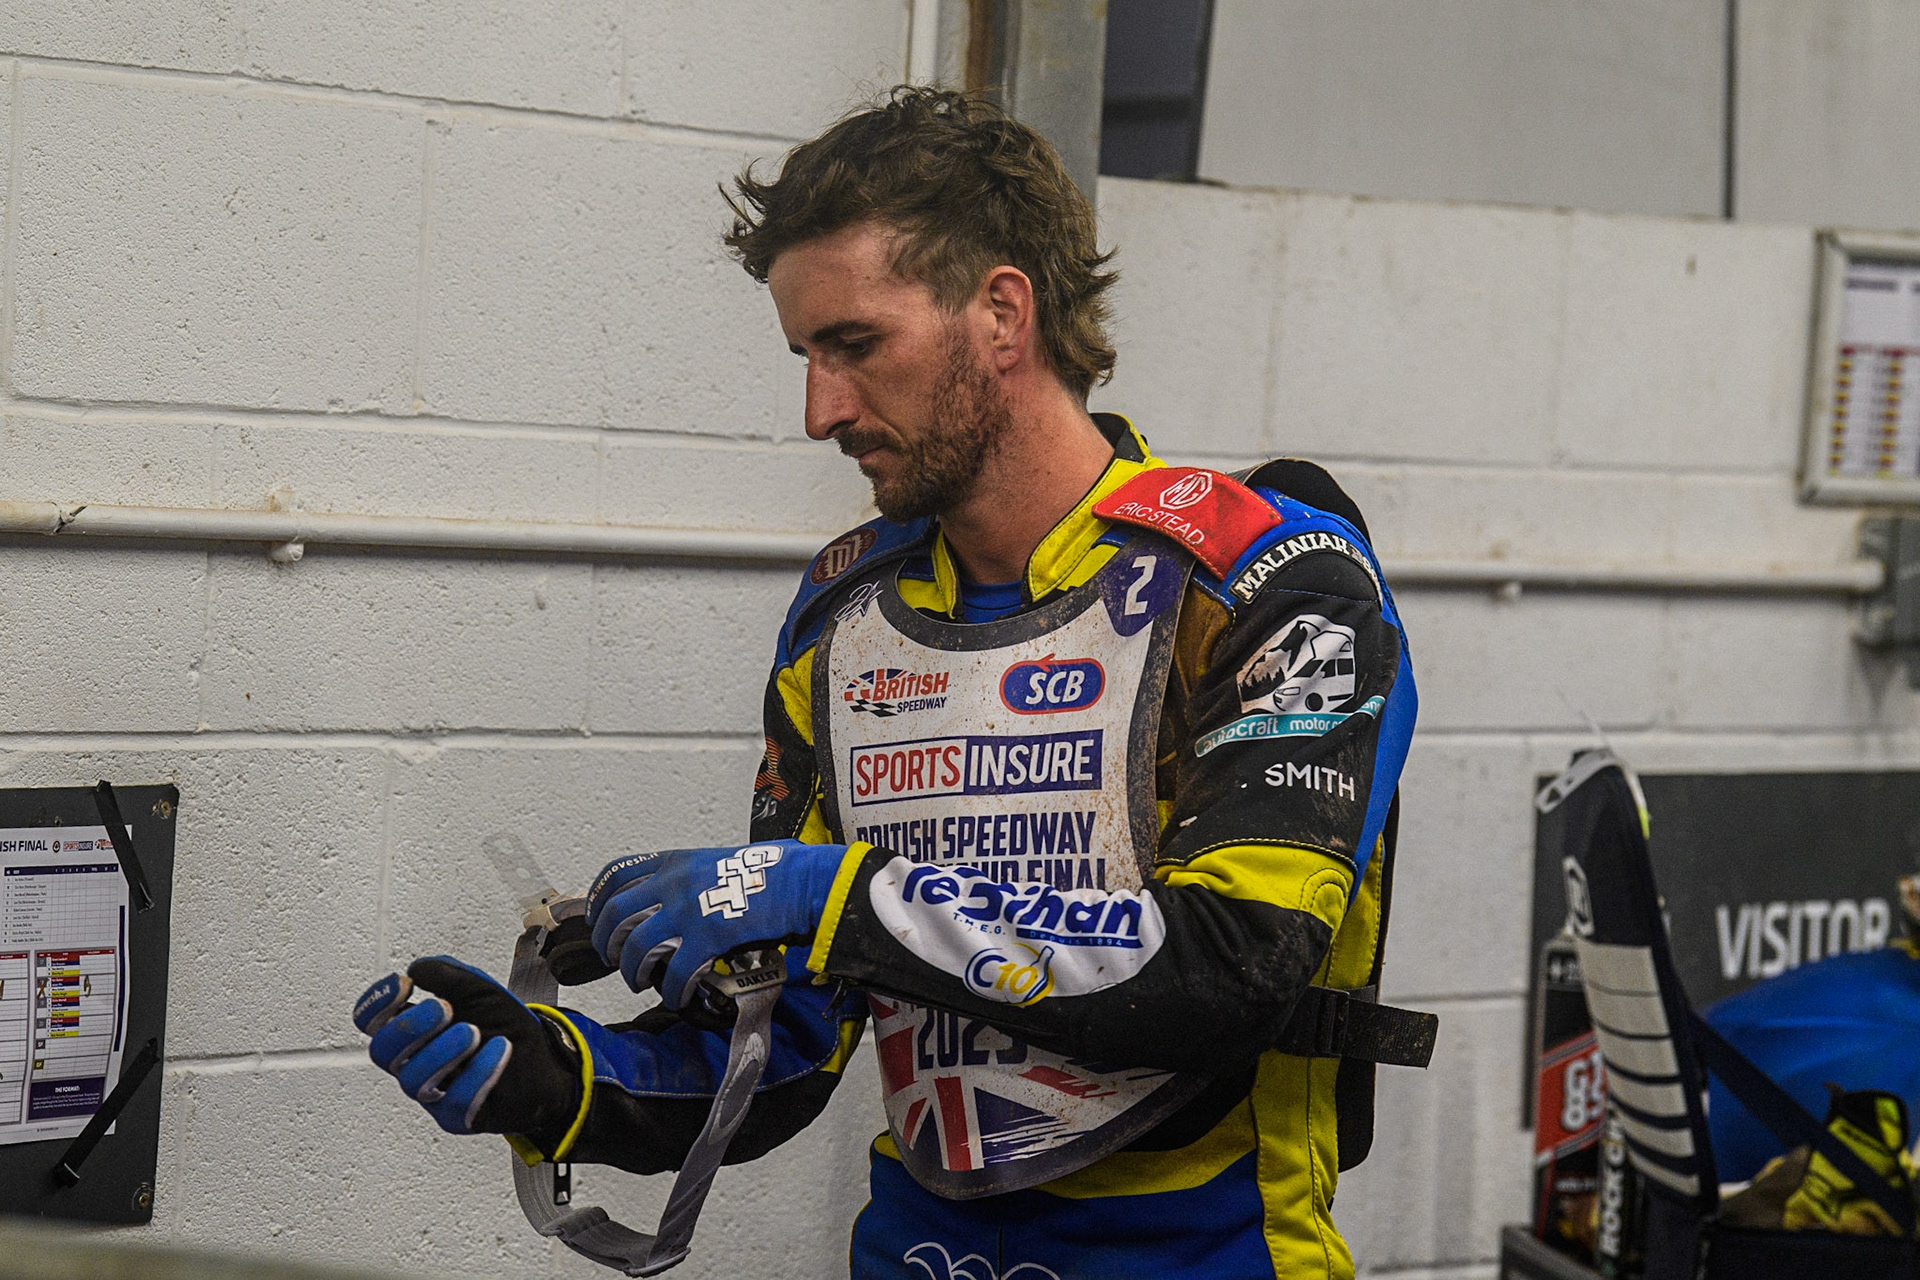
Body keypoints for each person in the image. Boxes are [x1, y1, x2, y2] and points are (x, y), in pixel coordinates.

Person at [353, 87, 1421, 1280]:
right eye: (807, 356)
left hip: (1209, 1254)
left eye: (856, 346)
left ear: (1002, 314)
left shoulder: (1270, 575)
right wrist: (558, 1078)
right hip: (919, 1253)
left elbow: (1229, 975)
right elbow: (786, 1046)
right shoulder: (843, 616)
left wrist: (831, 892)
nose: (822, 410)